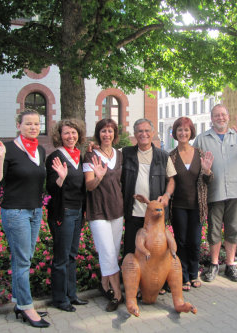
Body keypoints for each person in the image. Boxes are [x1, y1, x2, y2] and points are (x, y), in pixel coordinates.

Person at [0, 109, 50, 328]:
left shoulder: (40, 150)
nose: (33, 127)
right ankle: (26, 306)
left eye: (36, 124)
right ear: (19, 126)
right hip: (15, 212)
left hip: (35, 210)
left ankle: (20, 302)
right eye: (28, 124)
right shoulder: (8, 149)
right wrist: (0, 158)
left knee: (24, 258)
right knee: (22, 260)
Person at [193, 104, 237, 283]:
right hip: (214, 190)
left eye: (223, 115)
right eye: (216, 115)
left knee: (233, 229)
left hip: (235, 190)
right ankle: (213, 264)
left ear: (228, 117)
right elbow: (194, 164)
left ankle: (230, 265)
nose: (220, 118)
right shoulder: (202, 138)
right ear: (211, 118)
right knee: (214, 229)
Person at [46, 119, 89, 312]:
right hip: (63, 212)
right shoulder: (55, 157)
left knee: (72, 255)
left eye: (73, 133)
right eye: (66, 133)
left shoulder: (80, 156)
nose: (70, 136)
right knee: (61, 257)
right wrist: (61, 178)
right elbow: (50, 189)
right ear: (59, 136)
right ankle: (59, 298)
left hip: (78, 211)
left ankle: (72, 294)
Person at [83, 118, 124, 312]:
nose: (107, 134)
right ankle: (117, 295)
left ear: (115, 134)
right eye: (103, 131)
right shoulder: (90, 156)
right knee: (107, 252)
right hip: (98, 211)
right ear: (98, 133)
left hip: (117, 210)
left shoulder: (120, 155)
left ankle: (104, 284)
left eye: (110, 131)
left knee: (113, 253)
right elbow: (88, 186)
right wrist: (98, 177)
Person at [169, 117, 214, 291]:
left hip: (197, 206)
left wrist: (208, 171)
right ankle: (184, 276)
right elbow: (169, 181)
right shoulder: (171, 157)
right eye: (179, 130)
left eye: (186, 130)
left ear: (191, 132)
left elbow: (208, 180)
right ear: (175, 133)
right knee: (181, 242)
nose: (183, 133)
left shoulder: (201, 154)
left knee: (194, 242)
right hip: (179, 206)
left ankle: (195, 273)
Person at [121, 118, 177, 258]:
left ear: (153, 133)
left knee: (155, 252)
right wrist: (94, 147)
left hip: (155, 216)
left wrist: (166, 196)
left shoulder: (163, 156)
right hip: (133, 213)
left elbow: (171, 180)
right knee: (131, 250)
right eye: (140, 131)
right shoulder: (125, 153)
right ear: (134, 133)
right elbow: (107, 153)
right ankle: (131, 279)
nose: (143, 134)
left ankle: (154, 280)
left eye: (147, 131)